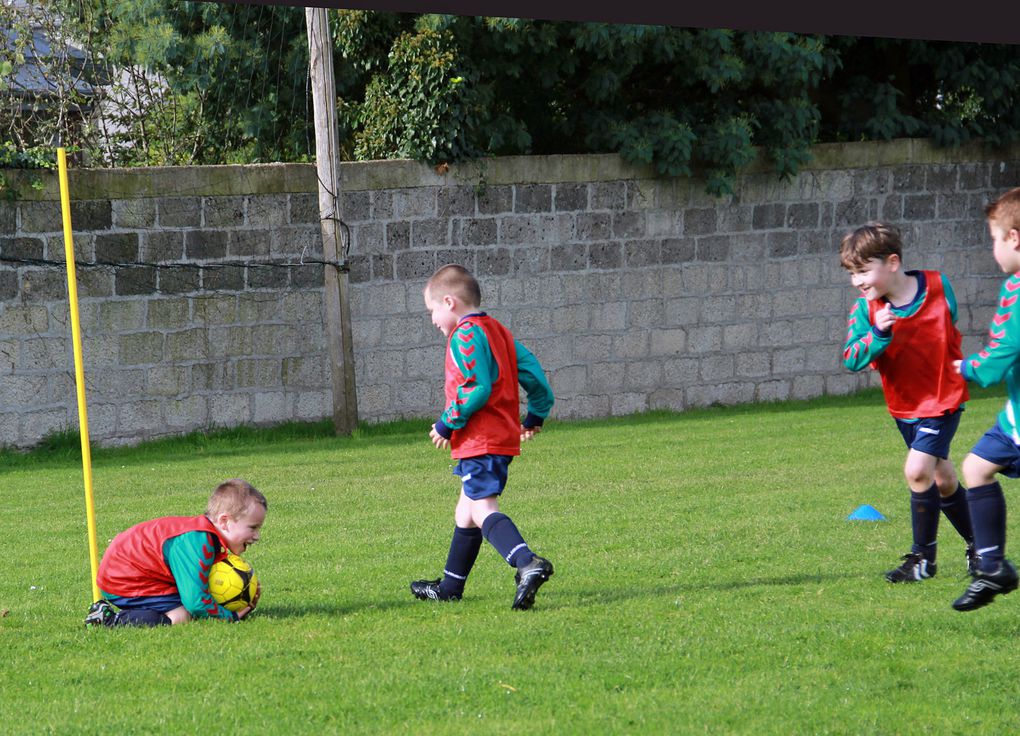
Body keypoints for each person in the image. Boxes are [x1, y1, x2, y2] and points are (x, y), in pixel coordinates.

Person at [410, 263, 556, 610]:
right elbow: (534, 373)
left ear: (449, 302)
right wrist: (535, 413)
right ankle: (450, 587)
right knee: (466, 509)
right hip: (498, 438)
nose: (433, 320)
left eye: (432, 311)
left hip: (481, 438)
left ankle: (526, 562)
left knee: (482, 508)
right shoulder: (499, 332)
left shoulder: (464, 334)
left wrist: (448, 422)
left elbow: (476, 386)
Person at [840, 222, 976, 583]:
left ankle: (923, 561)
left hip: (943, 399)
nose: (858, 282)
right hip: (905, 408)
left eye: (864, 271)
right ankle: (979, 546)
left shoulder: (937, 285)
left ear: (893, 262)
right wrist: (879, 334)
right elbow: (851, 358)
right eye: (853, 274)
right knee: (944, 479)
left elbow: (951, 324)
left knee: (917, 471)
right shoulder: (866, 313)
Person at [950, 187, 1020, 611]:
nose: (993, 248)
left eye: (995, 238)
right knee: (976, 467)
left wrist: (964, 368)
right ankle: (993, 567)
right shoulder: (1013, 284)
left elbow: (998, 359)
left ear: (1014, 238)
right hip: (1014, 418)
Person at [83, 478, 266, 627]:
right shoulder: (198, 542)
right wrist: (230, 617)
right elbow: (195, 602)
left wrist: (242, 597)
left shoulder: (207, 538)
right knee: (181, 616)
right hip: (123, 579)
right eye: (253, 527)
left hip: (134, 572)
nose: (257, 536)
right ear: (224, 521)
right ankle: (108, 620)